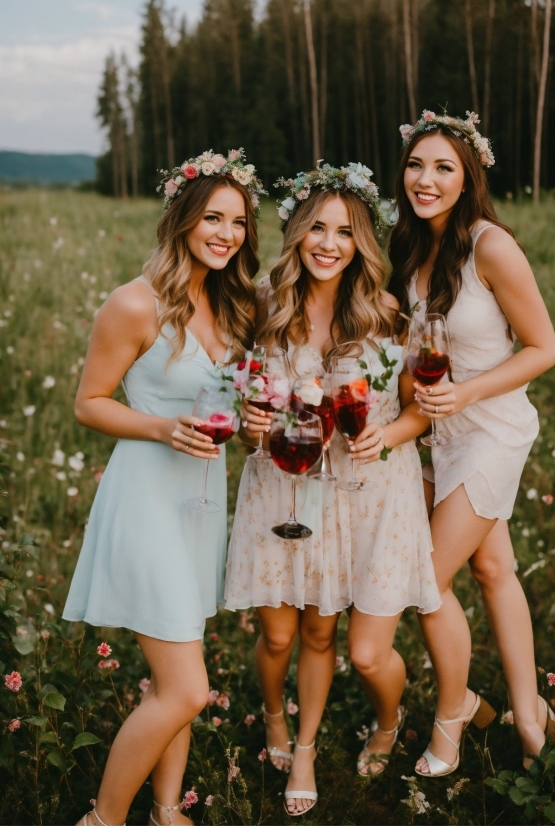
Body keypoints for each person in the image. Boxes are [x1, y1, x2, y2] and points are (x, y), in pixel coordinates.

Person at [224, 162, 441, 816]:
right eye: (316, 228)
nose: (328, 243)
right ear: (296, 233)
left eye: (345, 232)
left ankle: (310, 747)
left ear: (361, 243)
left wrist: (392, 434)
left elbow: (417, 409)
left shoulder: (385, 314)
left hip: (354, 495)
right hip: (277, 489)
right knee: (278, 637)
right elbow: (240, 414)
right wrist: (247, 426)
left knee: (320, 637)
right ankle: (274, 717)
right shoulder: (258, 307)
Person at [63, 150, 264, 826]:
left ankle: (167, 811)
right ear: (181, 217)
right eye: (212, 216)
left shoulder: (233, 304)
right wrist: (159, 426)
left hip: (200, 507)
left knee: (181, 666)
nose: (226, 233)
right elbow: (89, 402)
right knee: (185, 690)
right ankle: (103, 821)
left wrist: (254, 419)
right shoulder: (134, 302)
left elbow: (229, 407)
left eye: (238, 221)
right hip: (146, 502)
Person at [388, 111, 555, 777]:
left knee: (428, 579)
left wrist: (465, 392)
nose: (425, 180)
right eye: (415, 165)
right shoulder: (412, 247)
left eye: (442, 168)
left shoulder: (492, 246)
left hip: (490, 429)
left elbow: (545, 348)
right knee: (493, 571)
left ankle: (455, 714)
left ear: (468, 180)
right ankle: (529, 720)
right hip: (440, 434)